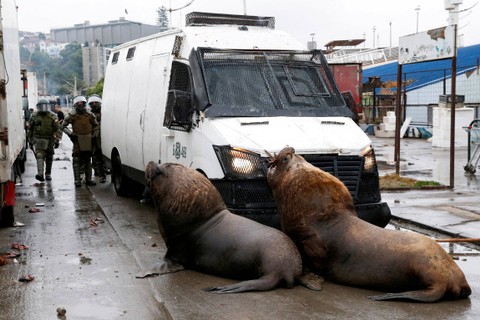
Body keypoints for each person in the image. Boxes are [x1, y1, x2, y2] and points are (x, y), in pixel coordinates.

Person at [60, 95, 99, 187]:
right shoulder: (72, 115)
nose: (80, 105)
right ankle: (77, 180)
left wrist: (94, 136)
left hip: (88, 139)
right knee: (77, 160)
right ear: (75, 104)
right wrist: (70, 134)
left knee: (87, 160)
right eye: (78, 103)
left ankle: (88, 179)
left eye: (82, 103)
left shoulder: (89, 114)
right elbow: (62, 126)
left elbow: (96, 126)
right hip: (77, 139)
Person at [27, 98, 61, 181]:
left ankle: (48, 174)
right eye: (41, 106)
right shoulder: (34, 116)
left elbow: (58, 129)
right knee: (39, 156)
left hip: (50, 140)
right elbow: (30, 129)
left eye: (45, 106)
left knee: (49, 157)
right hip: (39, 139)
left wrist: (57, 140)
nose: (43, 108)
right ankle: (40, 174)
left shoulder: (53, 116)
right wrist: (29, 139)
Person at [87, 94, 106, 183]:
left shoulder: (105, 112)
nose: (94, 104)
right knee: (98, 158)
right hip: (95, 139)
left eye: (95, 103)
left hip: (106, 139)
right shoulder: (89, 115)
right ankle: (101, 175)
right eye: (92, 103)